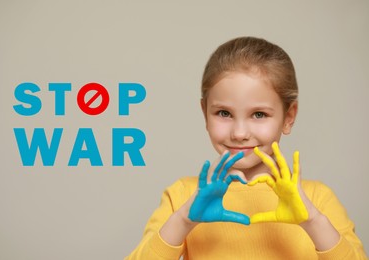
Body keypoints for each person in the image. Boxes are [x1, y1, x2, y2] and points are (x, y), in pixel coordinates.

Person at [126, 37, 367, 259]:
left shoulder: (317, 199)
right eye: (224, 113)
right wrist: (182, 221)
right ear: (204, 113)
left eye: (259, 114)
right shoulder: (182, 197)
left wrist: (313, 221)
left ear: (288, 117)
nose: (239, 133)